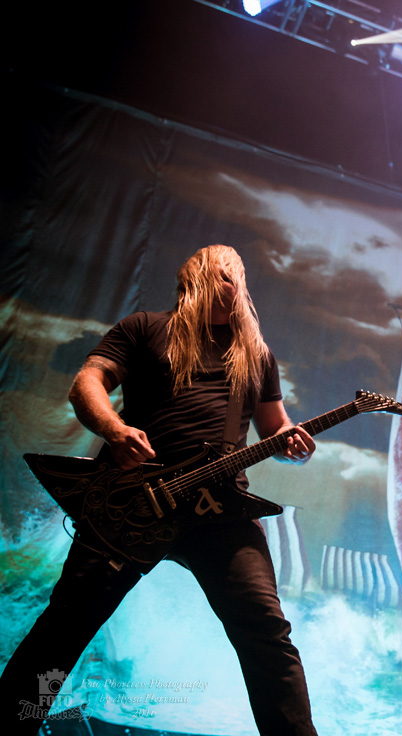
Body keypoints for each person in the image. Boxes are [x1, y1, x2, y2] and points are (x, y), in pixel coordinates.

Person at [1, 245, 318, 735]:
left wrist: (289, 443)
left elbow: (274, 427)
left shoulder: (255, 355)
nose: (230, 288)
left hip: (221, 511)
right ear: (193, 280)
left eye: (236, 280)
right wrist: (113, 429)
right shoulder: (144, 328)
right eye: (220, 277)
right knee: (64, 628)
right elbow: (87, 382)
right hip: (132, 504)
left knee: (266, 633)